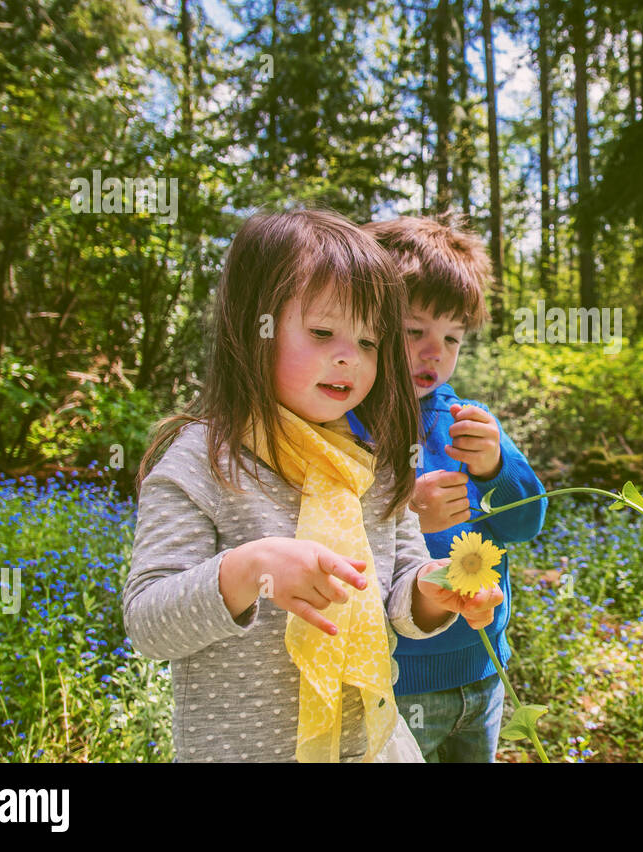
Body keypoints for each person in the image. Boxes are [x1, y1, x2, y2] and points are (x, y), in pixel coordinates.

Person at [123, 208, 501, 763]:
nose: (348, 356)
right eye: (322, 332)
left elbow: (399, 593)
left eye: (370, 342)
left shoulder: (373, 466)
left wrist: (431, 590)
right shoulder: (201, 465)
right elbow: (148, 624)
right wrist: (247, 569)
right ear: (254, 326)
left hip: (364, 746)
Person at [363, 215, 546, 763]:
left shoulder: (471, 422)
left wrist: (495, 468)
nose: (433, 352)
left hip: (484, 668)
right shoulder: (351, 426)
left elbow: (525, 523)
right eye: (414, 330)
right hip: (399, 681)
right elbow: (344, 548)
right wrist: (408, 516)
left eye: (451, 338)